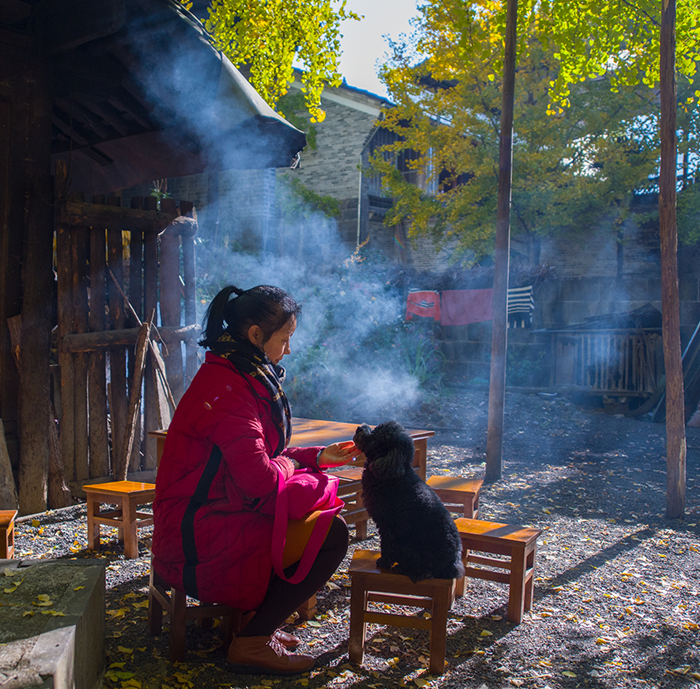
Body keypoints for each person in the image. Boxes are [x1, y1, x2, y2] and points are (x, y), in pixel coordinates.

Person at [152, 284, 357, 675]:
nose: (288, 350)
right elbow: (261, 481)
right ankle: (250, 642)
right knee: (332, 534)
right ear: (256, 336)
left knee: (312, 520)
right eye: (285, 339)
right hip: (196, 535)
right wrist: (296, 468)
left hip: (211, 513)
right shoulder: (228, 390)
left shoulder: (235, 373)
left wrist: (316, 457)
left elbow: (261, 457)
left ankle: (254, 624)